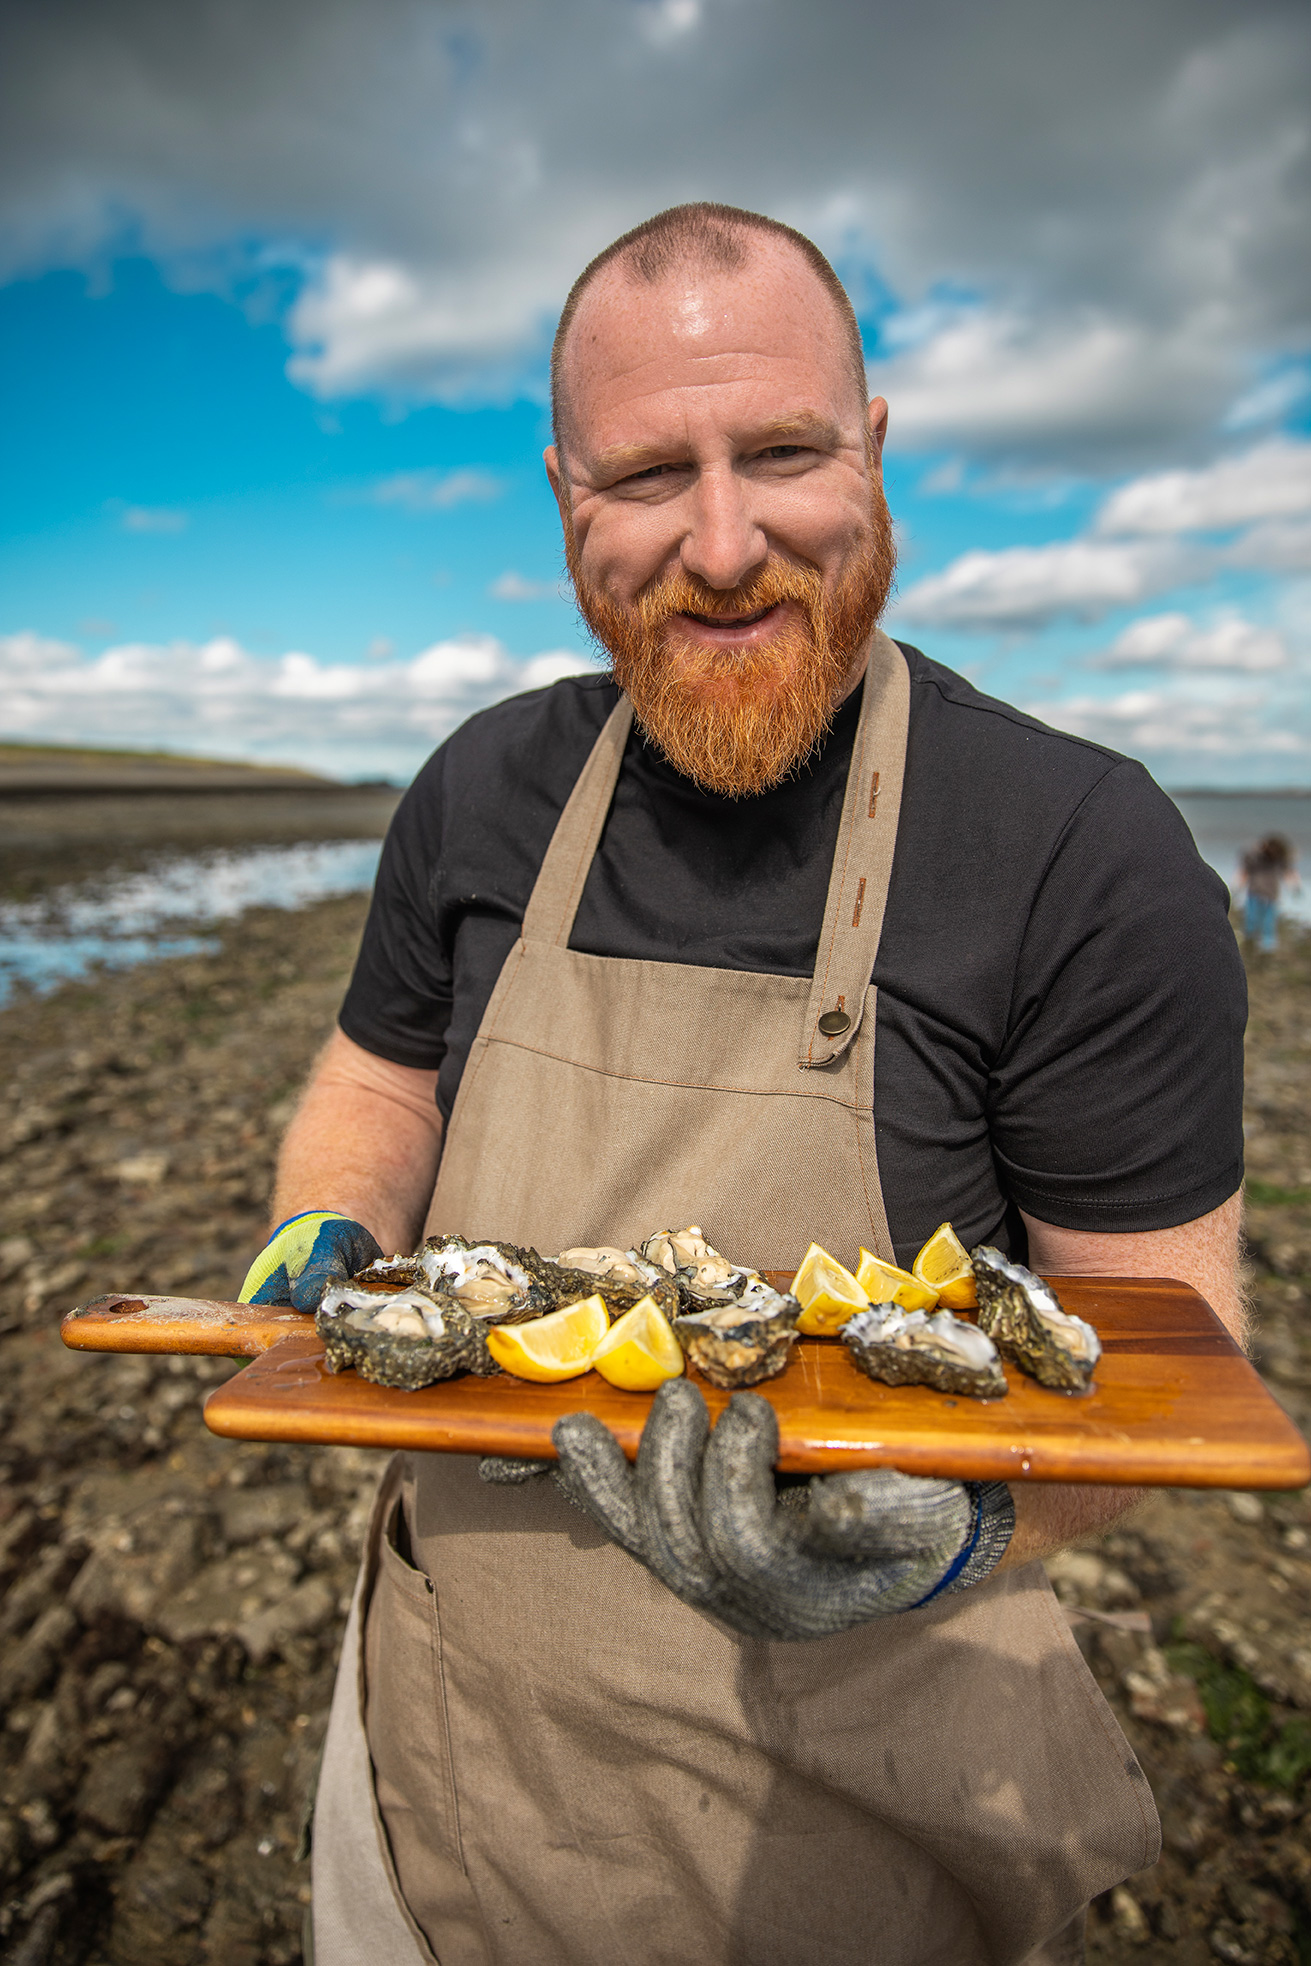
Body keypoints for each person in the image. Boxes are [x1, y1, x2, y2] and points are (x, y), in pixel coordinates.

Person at [241, 204, 1247, 1966]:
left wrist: (955, 1531)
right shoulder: (478, 789)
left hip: (854, 1813)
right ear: (565, 494)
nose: (721, 546)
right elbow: (381, 1081)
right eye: (646, 474)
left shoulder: (1077, 851)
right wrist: (324, 1216)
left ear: (873, 449)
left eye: (780, 452)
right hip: (444, 1757)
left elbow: (1165, 1361)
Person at [1236, 832, 1300, 953]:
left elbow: (1289, 872)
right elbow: (1244, 872)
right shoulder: (1255, 857)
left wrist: (1295, 888)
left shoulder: (1279, 859)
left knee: (1268, 926)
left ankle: (1266, 952)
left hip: (1270, 896)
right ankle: (1250, 948)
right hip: (1255, 893)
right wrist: (1237, 887)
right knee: (1251, 922)